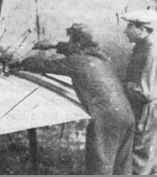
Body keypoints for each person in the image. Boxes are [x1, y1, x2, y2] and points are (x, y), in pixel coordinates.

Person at [11, 23, 135, 175]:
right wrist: (53, 45)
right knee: (122, 169)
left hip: (107, 118)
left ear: (77, 43)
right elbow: (77, 49)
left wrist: (20, 62)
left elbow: (44, 64)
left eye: (71, 40)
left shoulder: (77, 62)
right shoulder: (101, 58)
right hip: (127, 115)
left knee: (99, 167)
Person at [121, 10, 157, 175]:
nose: (125, 30)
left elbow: (146, 93)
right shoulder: (145, 47)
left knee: (140, 162)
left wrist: (123, 87)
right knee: (155, 160)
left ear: (141, 29)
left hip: (150, 112)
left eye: (129, 26)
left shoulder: (150, 52)